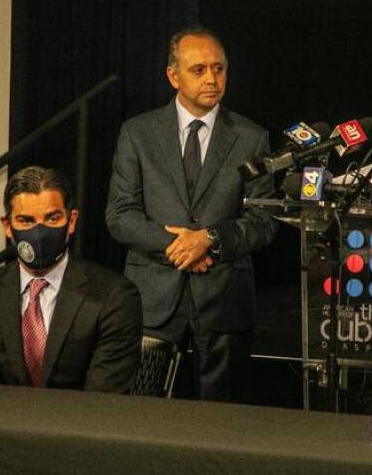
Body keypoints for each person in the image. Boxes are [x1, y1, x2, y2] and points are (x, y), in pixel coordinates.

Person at [105, 26, 278, 402]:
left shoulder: (252, 138)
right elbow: (120, 214)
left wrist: (210, 242)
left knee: (220, 425)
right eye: (199, 70)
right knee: (141, 421)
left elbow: (264, 223)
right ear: (173, 76)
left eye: (219, 69)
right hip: (152, 299)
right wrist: (181, 245)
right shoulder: (137, 133)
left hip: (223, 300)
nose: (212, 79)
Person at [0, 166, 142, 392]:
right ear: (7, 226)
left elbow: (102, 399)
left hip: (79, 424)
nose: (39, 232)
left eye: (52, 219)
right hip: (1, 424)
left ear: (71, 221)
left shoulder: (113, 297)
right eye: (26, 221)